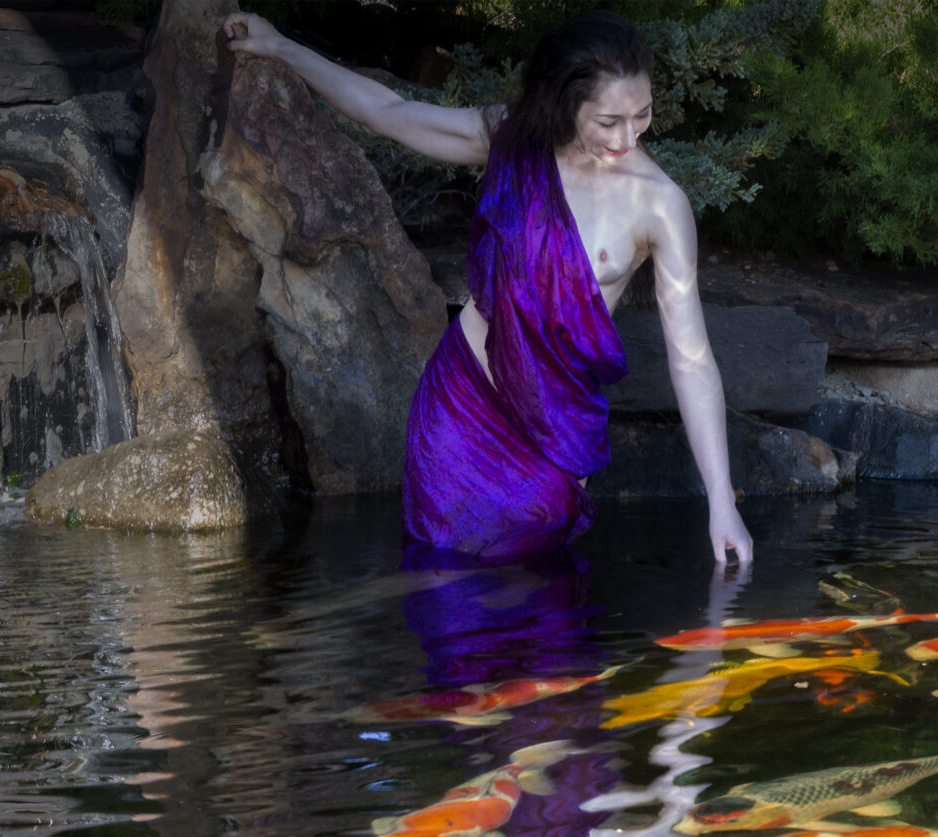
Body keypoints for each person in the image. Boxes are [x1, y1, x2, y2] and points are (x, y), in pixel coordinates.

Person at [221, 10, 753, 567]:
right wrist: (282, 48)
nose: (627, 136)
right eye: (608, 120)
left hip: (554, 435)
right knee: (450, 605)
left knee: (542, 613)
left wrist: (722, 503)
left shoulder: (661, 205)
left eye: (641, 115)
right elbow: (388, 112)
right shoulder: (514, 138)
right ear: (564, 102)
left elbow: (691, 360)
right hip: (459, 408)